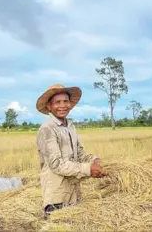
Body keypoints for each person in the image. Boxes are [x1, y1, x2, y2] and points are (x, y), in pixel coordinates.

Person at [35, 84, 107, 219]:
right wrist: (88, 169)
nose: (62, 105)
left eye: (65, 101)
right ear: (49, 106)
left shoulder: (70, 126)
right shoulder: (47, 129)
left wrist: (95, 161)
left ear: (70, 104)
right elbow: (56, 164)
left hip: (73, 189)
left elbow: (80, 153)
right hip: (57, 193)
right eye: (57, 102)